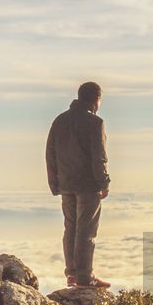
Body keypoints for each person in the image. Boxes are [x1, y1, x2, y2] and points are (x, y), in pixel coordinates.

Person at [46, 81, 111, 288]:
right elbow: (98, 157)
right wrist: (104, 182)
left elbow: (50, 155)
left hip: (66, 184)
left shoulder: (60, 121)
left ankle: (72, 274)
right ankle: (85, 277)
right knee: (86, 231)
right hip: (88, 185)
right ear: (96, 99)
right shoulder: (95, 123)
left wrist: (55, 184)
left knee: (70, 228)